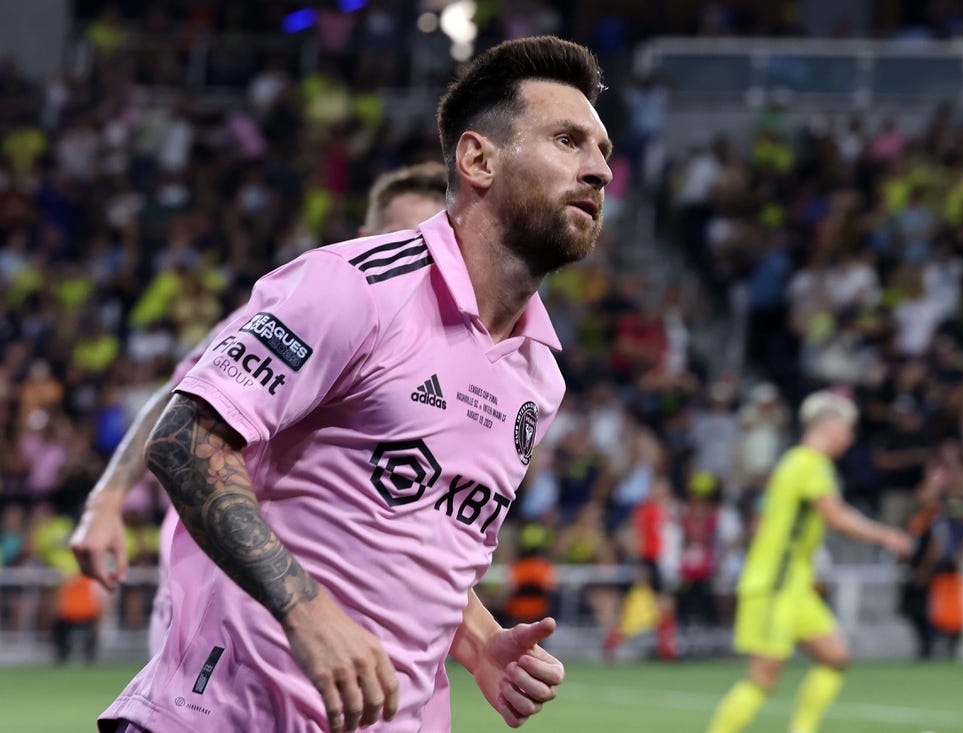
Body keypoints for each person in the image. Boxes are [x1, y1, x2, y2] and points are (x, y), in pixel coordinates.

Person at [97, 35, 612, 733]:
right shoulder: (356, 287)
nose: (598, 171)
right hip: (229, 715)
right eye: (567, 141)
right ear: (478, 159)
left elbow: (415, 538)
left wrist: (480, 644)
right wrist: (304, 608)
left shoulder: (538, 375)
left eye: (603, 151)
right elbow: (185, 438)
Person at [71, 162, 449, 655]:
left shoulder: (445, 356)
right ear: (363, 238)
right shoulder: (308, 306)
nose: (413, 262)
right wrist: (107, 502)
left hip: (345, 587)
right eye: (399, 241)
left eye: (429, 248)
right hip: (223, 567)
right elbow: (181, 397)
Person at [706, 390, 912, 733]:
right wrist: (886, 535)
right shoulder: (809, 464)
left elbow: (762, 517)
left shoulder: (793, 463)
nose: (849, 438)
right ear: (829, 426)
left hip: (795, 585)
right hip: (775, 583)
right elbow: (837, 517)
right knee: (763, 676)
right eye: (847, 429)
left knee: (835, 657)